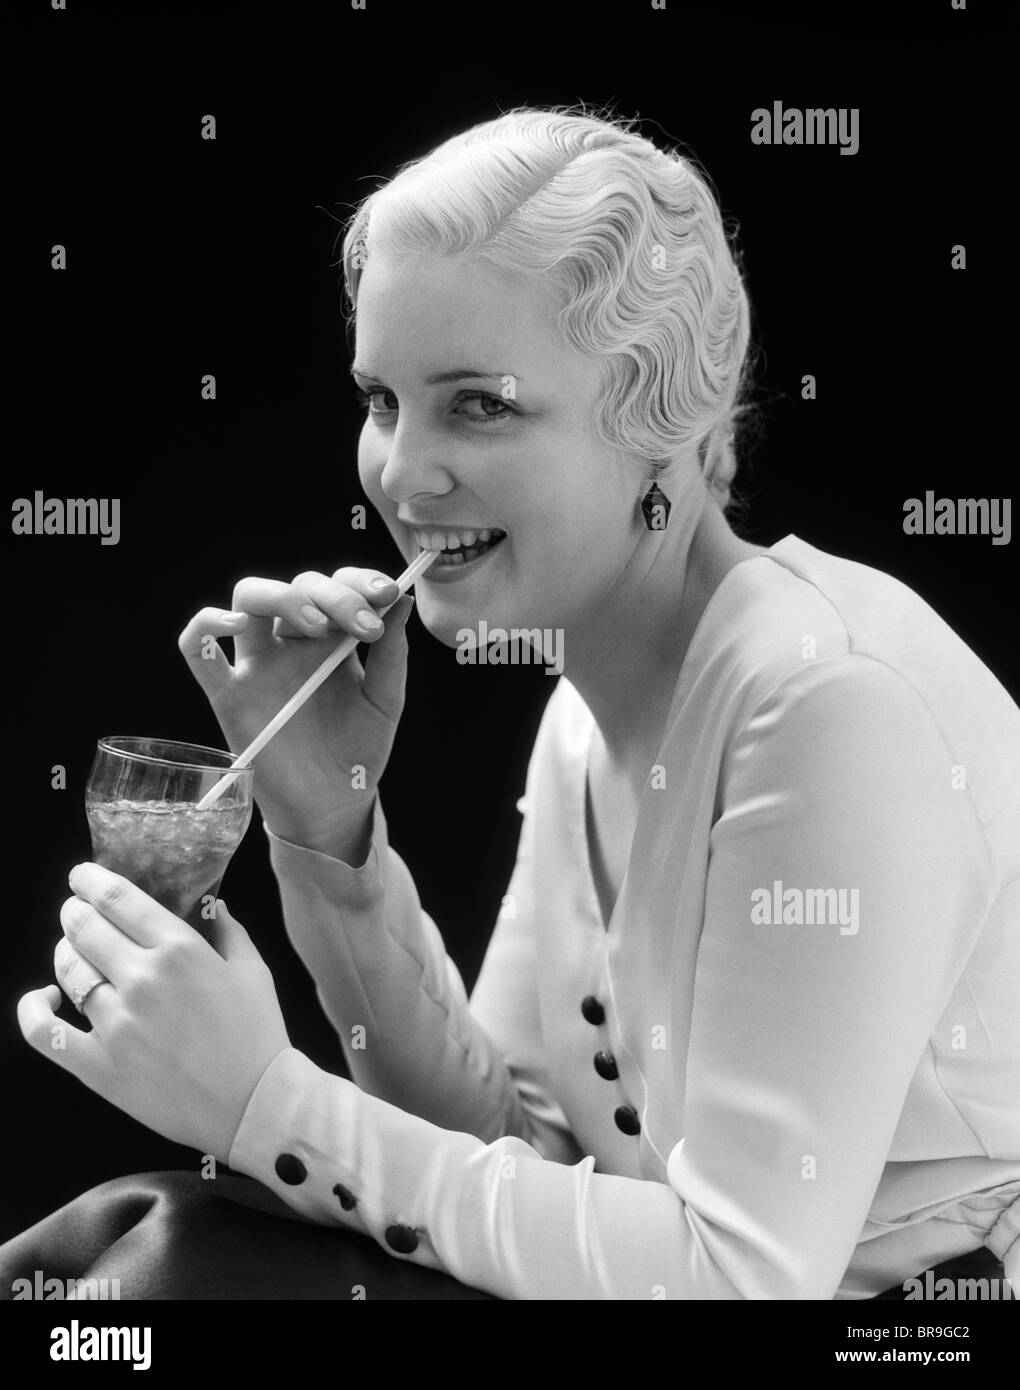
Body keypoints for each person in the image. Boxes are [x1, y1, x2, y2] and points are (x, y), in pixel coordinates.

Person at [9, 105, 1019, 1300]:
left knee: (165, 1274)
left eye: (479, 404)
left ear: (659, 418)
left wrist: (263, 1103)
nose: (402, 470)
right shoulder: (584, 718)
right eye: (383, 400)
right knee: (126, 1256)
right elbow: (517, 1159)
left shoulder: (828, 701)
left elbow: (736, 1278)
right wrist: (329, 836)